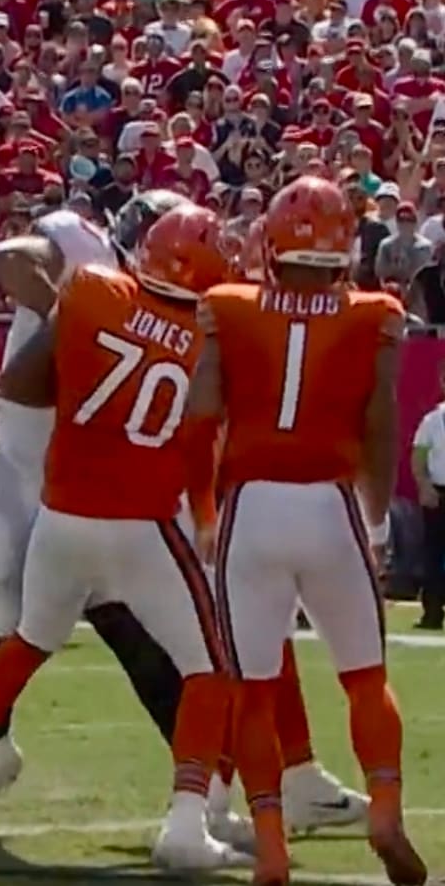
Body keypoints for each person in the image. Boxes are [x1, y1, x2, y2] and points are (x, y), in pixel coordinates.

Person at [0, 208, 242, 872]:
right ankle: (188, 821)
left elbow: (21, 382)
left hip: (62, 516)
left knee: (22, 645)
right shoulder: (211, 340)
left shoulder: (90, 293)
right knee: (211, 668)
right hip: (143, 523)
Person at [189, 176, 425, 886]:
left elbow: (202, 412)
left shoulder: (227, 307)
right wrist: (377, 517)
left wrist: (203, 507)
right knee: (364, 676)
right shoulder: (375, 313)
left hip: (253, 506)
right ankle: (383, 804)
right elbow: (381, 424)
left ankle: (270, 847)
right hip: (331, 503)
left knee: (252, 689)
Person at [410, 361, 445, 630]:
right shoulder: (433, 420)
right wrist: (424, 485)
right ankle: (432, 613)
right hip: (438, 492)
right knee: (433, 554)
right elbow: (419, 455)